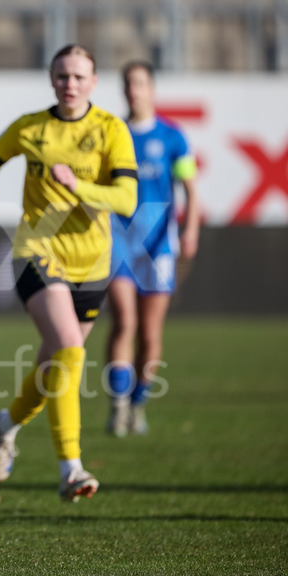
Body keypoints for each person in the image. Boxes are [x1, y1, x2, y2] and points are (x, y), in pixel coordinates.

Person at [0, 44, 138, 502]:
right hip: (36, 250)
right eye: (62, 76)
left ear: (93, 82)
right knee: (69, 347)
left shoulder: (110, 129)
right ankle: (71, 467)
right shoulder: (31, 128)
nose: (70, 84)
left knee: (57, 364)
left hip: (92, 263)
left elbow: (126, 199)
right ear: (52, 80)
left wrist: (79, 185)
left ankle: (7, 423)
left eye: (79, 76)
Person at [105, 61, 200, 437]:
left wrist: (190, 228)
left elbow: (191, 189)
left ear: (152, 89)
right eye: (128, 83)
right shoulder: (113, 132)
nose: (134, 90)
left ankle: (139, 402)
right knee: (124, 321)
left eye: (140, 83)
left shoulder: (173, 137)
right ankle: (118, 404)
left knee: (149, 331)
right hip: (118, 238)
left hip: (159, 242)